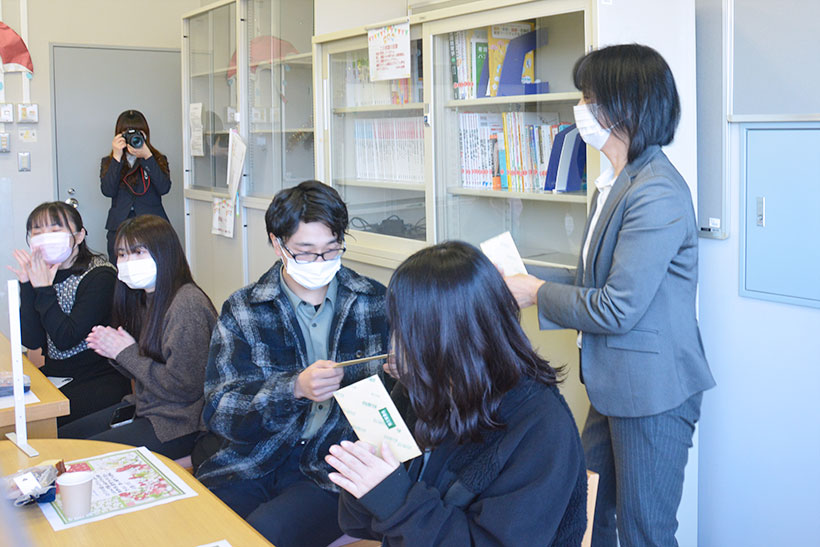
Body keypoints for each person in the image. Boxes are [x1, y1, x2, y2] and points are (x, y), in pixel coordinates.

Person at [504, 44, 716, 547]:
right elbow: (595, 282)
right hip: (614, 384)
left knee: (645, 533)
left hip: (652, 393)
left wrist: (535, 292)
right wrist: (521, 276)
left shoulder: (656, 192)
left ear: (626, 105)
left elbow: (616, 306)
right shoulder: (614, 183)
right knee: (586, 514)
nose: (580, 108)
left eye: (589, 97)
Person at [326, 241, 588, 546]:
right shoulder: (423, 386)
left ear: (448, 336)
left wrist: (393, 499)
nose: (395, 344)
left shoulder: (541, 426)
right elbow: (361, 523)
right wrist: (366, 476)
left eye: (406, 331)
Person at [195, 180, 390, 546]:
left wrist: (403, 376)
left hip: (332, 468)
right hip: (253, 458)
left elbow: (402, 408)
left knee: (264, 534)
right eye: (305, 252)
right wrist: (293, 389)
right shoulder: (245, 309)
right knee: (201, 526)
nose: (320, 263)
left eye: (331, 250)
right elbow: (219, 411)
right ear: (277, 244)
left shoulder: (373, 301)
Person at [58, 215, 217, 459]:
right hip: (147, 407)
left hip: (180, 424)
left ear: (165, 253)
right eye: (122, 254)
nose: (128, 261)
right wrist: (114, 352)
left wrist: (125, 353)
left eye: (139, 252)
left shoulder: (187, 303)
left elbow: (184, 389)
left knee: (79, 456)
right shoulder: (143, 297)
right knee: (60, 440)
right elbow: (144, 369)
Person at [9, 202, 130, 426]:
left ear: (80, 235)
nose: (46, 238)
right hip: (56, 375)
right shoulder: (44, 273)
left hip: (97, 379)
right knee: (11, 412)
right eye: (38, 231)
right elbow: (32, 341)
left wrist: (43, 289)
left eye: (55, 230)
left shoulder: (100, 276)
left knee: (33, 423)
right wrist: (27, 285)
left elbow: (65, 339)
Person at [100, 109, 172, 263]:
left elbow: (164, 188)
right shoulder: (110, 161)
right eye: (127, 132)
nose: (132, 137)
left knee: (156, 267)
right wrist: (117, 157)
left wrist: (147, 156)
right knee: (121, 269)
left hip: (152, 224)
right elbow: (108, 190)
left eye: (138, 132)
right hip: (119, 225)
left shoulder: (157, 159)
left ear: (145, 134)